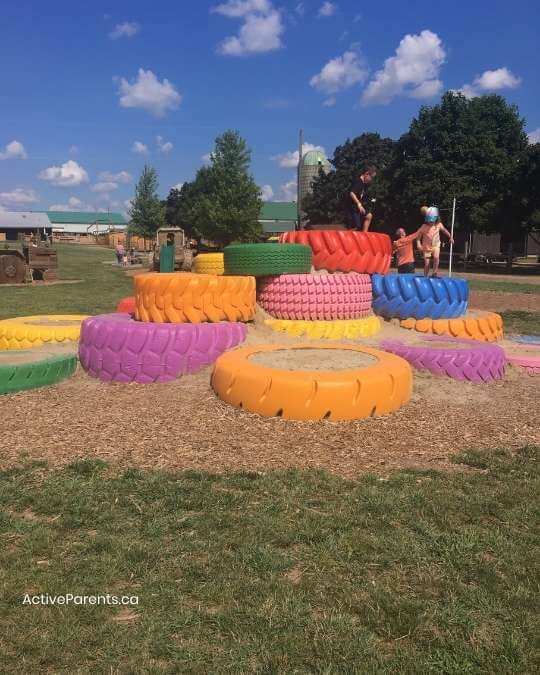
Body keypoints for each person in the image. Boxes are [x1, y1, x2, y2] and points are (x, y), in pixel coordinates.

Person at [417, 206, 453, 278]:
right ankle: (425, 276)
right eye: (429, 221)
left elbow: (444, 231)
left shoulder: (438, 225)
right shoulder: (424, 226)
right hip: (426, 247)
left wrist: (450, 237)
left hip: (436, 245)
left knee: (436, 257)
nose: (431, 222)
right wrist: (419, 244)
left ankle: (434, 273)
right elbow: (418, 237)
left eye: (432, 221)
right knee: (427, 263)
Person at [344, 165, 377, 232]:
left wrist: (372, 200)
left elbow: (363, 196)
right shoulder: (358, 181)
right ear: (366, 174)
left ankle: (364, 235)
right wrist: (359, 204)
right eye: (371, 177)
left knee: (369, 216)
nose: (371, 180)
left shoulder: (364, 184)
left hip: (356, 208)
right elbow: (352, 193)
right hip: (351, 208)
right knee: (356, 226)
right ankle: (347, 238)